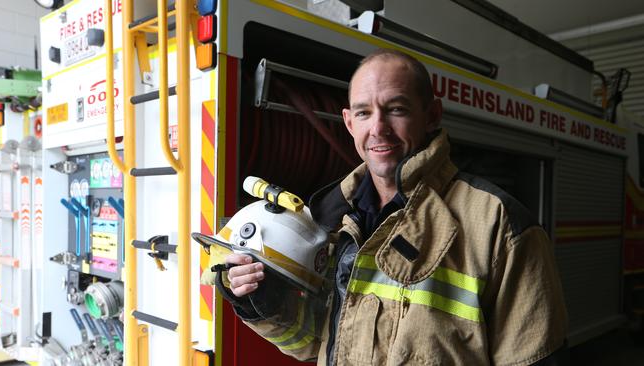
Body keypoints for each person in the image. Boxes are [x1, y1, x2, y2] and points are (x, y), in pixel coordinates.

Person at [222, 48, 568, 365]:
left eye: (396, 109)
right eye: (364, 112)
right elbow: (321, 340)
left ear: (432, 115)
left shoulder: (500, 225)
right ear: (348, 122)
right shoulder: (336, 221)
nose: (378, 128)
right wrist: (260, 301)